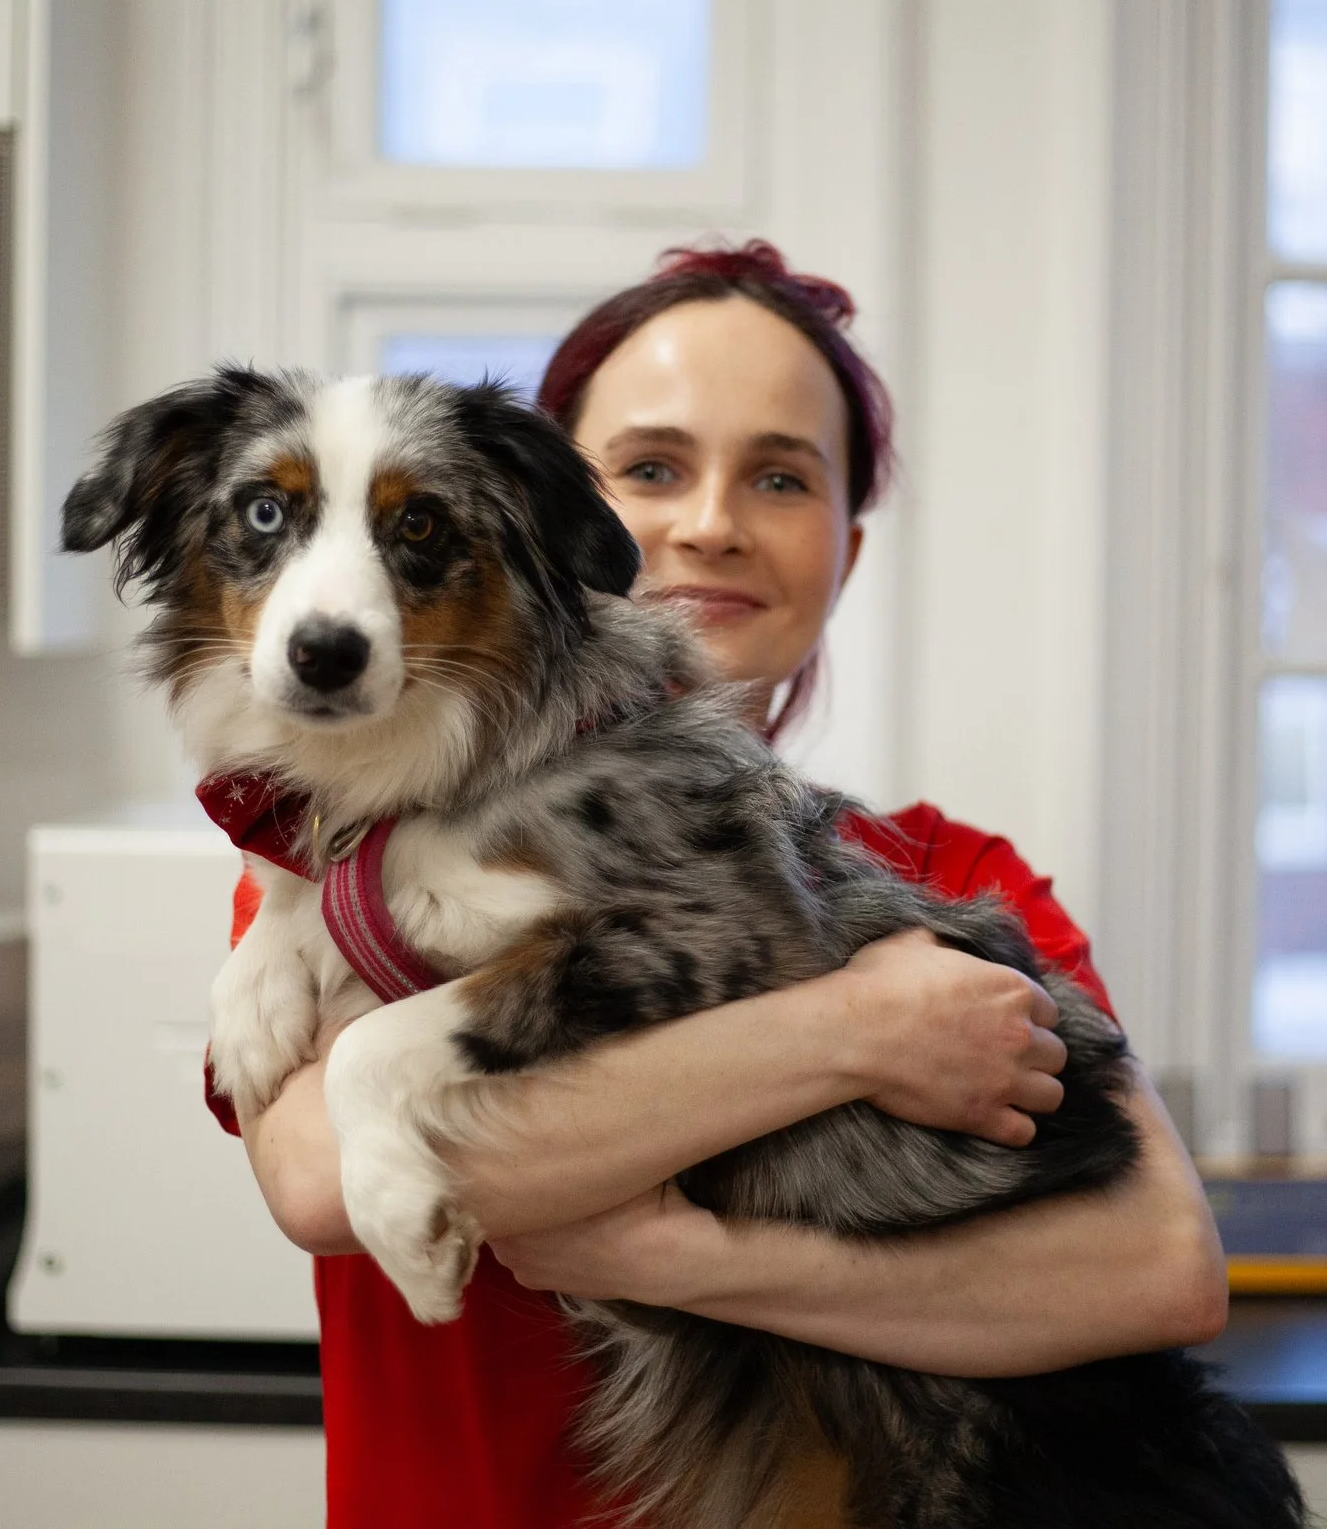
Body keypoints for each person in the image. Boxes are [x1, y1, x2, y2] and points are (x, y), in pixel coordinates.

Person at [213, 242, 1226, 1528]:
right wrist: (856, 1028)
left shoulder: (950, 874)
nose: (709, 521)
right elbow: (319, 1178)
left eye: (781, 476)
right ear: (529, 525)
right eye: (648, 467)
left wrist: (683, 1259)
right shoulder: (327, 852)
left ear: (845, 549)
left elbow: (1161, 1267)